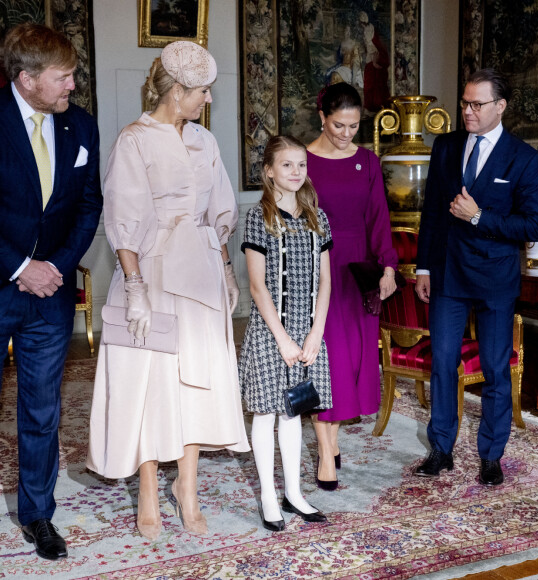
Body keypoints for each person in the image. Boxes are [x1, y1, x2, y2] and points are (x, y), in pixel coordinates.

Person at [86, 41, 250, 540]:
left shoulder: (205, 141)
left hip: (199, 272)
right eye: (202, 92)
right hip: (153, 276)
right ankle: (150, 492)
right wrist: (134, 286)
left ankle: (188, 487)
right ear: (176, 91)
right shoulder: (134, 140)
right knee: (152, 386)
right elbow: (123, 218)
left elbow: (218, 212)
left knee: (196, 382)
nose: (207, 100)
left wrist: (225, 270)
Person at [414, 68, 538, 486]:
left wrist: (480, 217)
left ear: (500, 106)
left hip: (495, 279)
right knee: (443, 362)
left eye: (476, 104)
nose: (467, 111)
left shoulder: (523, 157)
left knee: (493, 368)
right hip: (449, 274)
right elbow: (432, 212)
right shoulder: (446, 146)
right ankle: (441, 450)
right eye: (464, 103)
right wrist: (423, 266)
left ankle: (491, 456)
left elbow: (532, 226)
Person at [0, 23, 102, 560]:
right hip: (0, 285)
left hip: (52, 294)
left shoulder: (80, 126)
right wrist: (20, 267)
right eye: (63, 77)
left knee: (42, 410)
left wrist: (55, 268)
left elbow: (89, 207)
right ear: (27, 79)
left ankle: (38, 513)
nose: (73, 86)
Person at [307, 82, 398, 490]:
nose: (346, 134)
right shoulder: (301, 161)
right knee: (324, 359)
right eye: (338, 125)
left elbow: (379, 218)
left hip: (357, 270)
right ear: (321, 117)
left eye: (354, 126)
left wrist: (389, 269)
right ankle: (325, 454)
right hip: (316, 269)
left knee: (352, 361)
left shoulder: (368, 162)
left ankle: (334, 439)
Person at [239, 135, 333, 531]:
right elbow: (258, 287)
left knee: (293, 411)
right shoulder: (257, 217)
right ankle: (267, 496)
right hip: (270, 330)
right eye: (288, 165)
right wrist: (283, 339)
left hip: (307, 331)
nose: (297, 172)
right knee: (266, 413)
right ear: (269, 171)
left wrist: (315, 335)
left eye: (302, 165)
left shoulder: (318, 217)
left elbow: (326, 283)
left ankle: (293, 493)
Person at [359, 11, 390, 113]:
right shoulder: (368, 30)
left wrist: (374, 61)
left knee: (371, 84)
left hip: (372, 60)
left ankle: (373, 107)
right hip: (370, 59)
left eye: (361, 23)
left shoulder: (369, 30)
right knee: (369, 84)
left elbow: (373, 48)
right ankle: (371, 107)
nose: (361, 25)